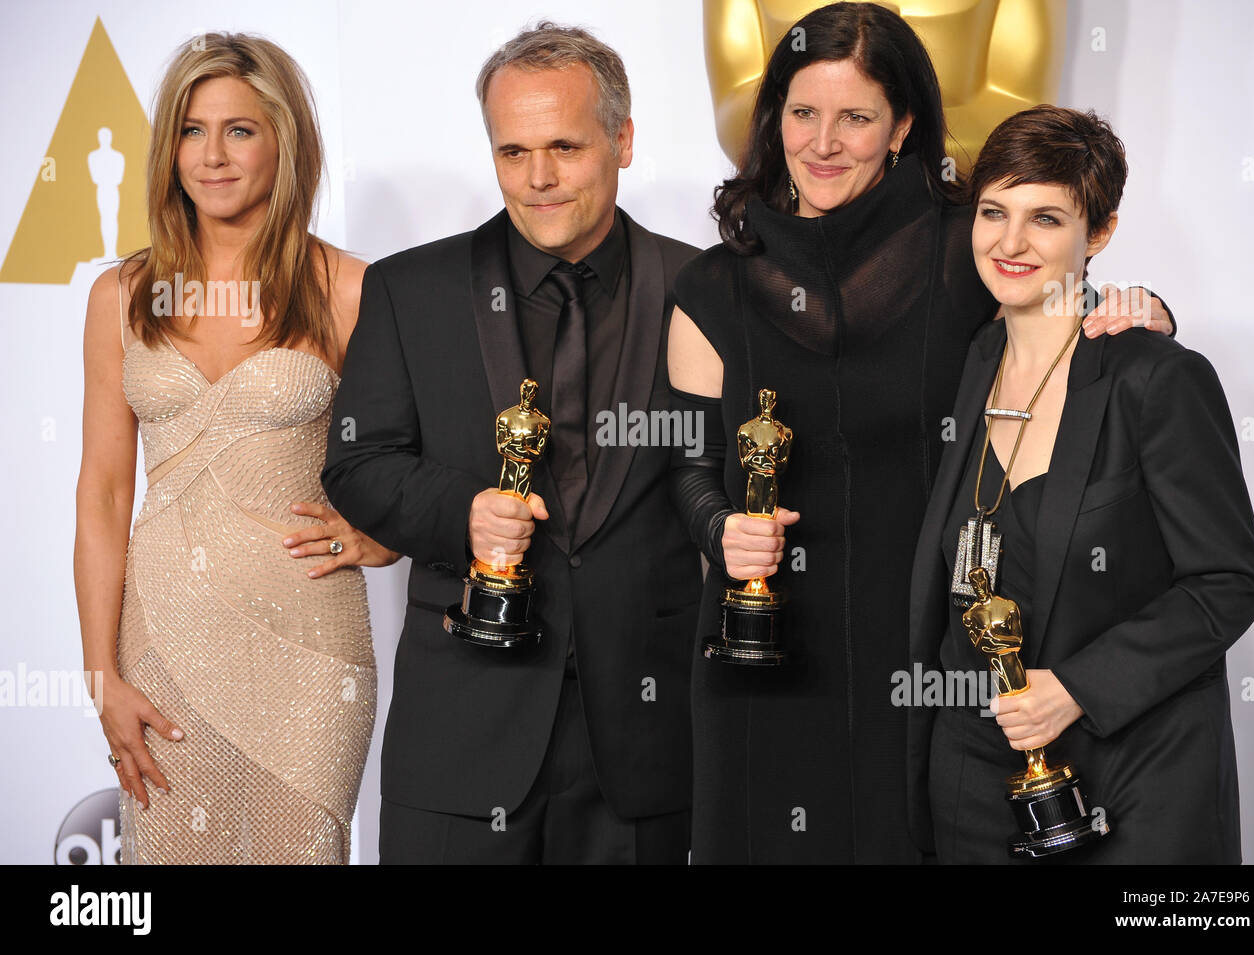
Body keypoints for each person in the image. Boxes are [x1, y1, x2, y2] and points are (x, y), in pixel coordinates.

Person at [667, 1, 1172, 863]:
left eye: (855, 117)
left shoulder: (967, 252)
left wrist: (1148, 309)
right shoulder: (713, 284)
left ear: (901, 126)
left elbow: (1074, 325)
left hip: (931, 651)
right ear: (773, 118)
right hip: (762, 651)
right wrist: (722, 525)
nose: (823, 142)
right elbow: (687, 464)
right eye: (802, 113)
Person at [321, 23, 701, 864]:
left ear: (623, 139)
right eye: (512, 151)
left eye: (564, 146)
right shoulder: (409, 289)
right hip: (464, 739)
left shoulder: (704, 288)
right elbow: (356, 461)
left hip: (645, 750)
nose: (537, 178)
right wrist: (465, 514)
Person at [907, 105, 1254, 863]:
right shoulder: (971, 362)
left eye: (1045, 218)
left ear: (1097, 234)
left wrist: (1074, 685)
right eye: (993, 211)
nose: (1009, 242)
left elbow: (1226, 582)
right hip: (975, 777)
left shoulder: (1158, 379)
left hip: (1135, 780)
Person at [74, 33, 398, 864]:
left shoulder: (351, 289)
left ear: (285, 141)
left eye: (240, 130)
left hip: (310, 647)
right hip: (162, 640)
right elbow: (105, 496)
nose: (212, 155)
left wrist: (383, 537)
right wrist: (100, 674)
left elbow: (419, 458)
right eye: (191, 130)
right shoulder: (121, 296)